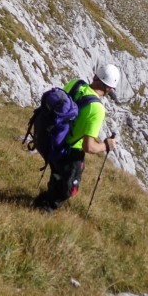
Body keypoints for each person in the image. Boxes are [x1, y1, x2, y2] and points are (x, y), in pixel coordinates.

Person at [34, 62, 119, 212]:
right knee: (68, 189)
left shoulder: (76, 84)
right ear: (109, 88)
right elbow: (89, 146)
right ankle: (43, 209)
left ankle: (45, 198)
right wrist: (106, 145)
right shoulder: (97, 109)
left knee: (58, 175)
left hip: (49, 139)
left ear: (95, 76)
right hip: (68, 151)